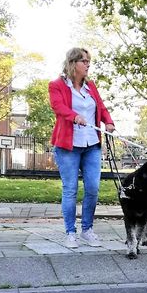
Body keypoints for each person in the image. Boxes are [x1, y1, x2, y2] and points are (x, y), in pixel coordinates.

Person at [48, 47, 115, 249]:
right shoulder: (57, 85)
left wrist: (108, 122)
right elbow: (58, 107)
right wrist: (74, 116)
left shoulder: (91, 86)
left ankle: (87, 230)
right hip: (68, 145)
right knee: (70, 189)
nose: (87, 65)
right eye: (84, 61)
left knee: (93, 188)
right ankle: (70, 232)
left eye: (88, 62)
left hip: (91, 144)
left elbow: (101, 108)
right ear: (73, 63)